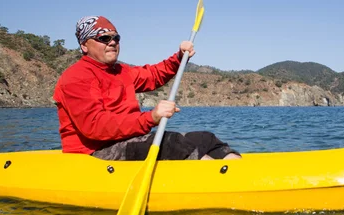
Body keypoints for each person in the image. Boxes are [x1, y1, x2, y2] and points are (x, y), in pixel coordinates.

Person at [53, 15, 241, 161]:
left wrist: (179, 58)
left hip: (127, 141)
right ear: (85, 45)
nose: (112, 42)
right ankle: (218, 182)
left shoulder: (121, 71)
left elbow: (153, 75)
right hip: (96, 152)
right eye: (104, 38)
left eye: (115, 37)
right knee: (172, 144)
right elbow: (96, 126)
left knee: (205, 138)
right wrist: (150, 118)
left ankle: (239, 173)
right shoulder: (75, 77)